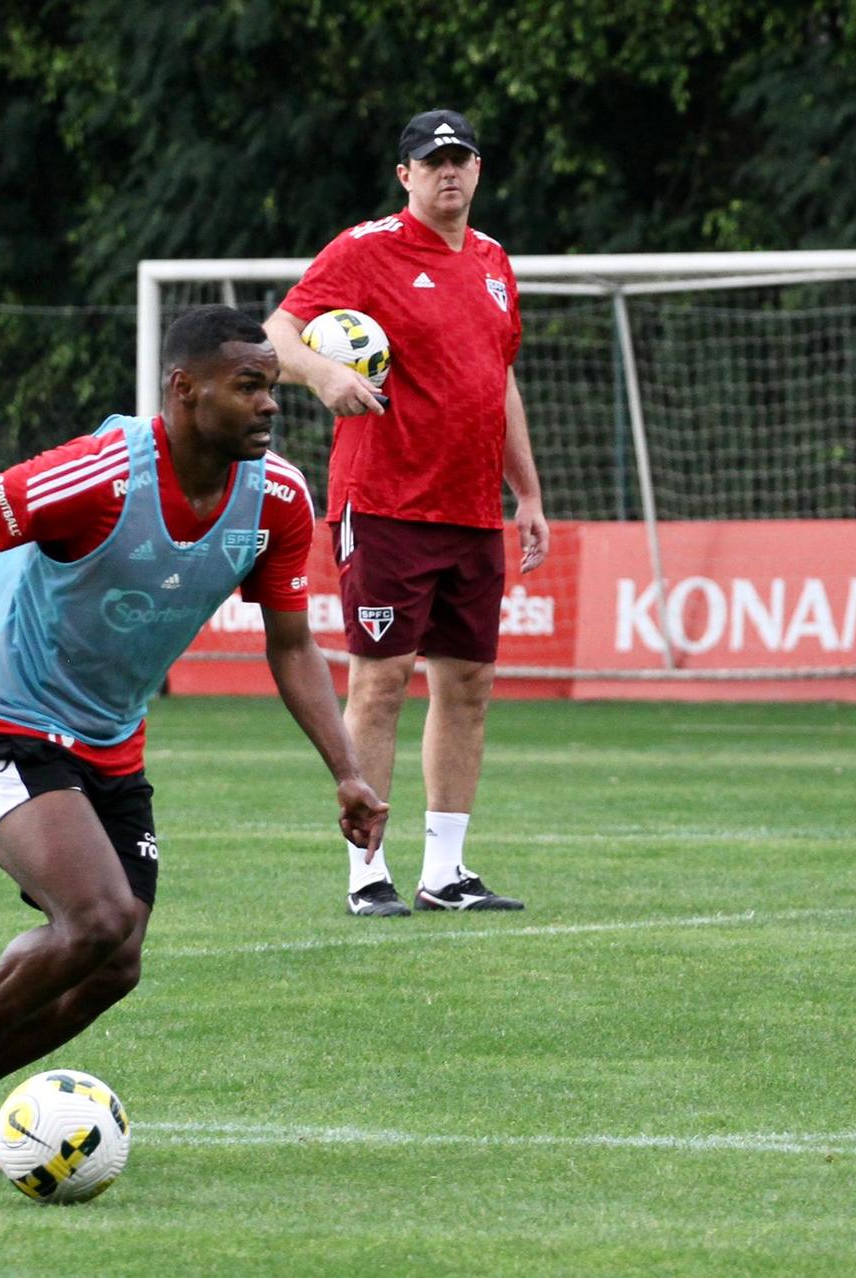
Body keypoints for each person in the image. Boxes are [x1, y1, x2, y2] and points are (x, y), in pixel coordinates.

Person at [0, 305, 387, 1171]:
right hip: (3, 722)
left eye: (272, 386)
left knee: (114, 965)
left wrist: (346, 772)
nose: (271, 405)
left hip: (111, 743)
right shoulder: (101, 475)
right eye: (249, 387)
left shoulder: (274, 498)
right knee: (96, 917)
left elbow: (291, 645)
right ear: (183, 389)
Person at [262, 108, 548, 918]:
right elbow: (276, 334)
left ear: (479, 171)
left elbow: (499, 381)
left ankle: (447, 872)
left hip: (469, 510)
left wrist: (526, 493)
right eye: (433, 162)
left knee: (469, 685)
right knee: (381, 683)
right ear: (406, 176)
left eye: (461, 160)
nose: (448, 172)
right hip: (386, 503)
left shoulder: (494, 262)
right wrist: (321, 375)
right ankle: (366, 874)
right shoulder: (367, 249)